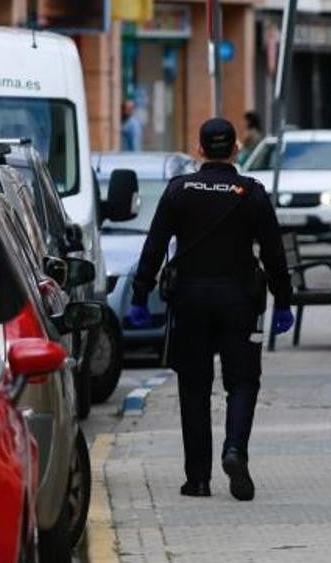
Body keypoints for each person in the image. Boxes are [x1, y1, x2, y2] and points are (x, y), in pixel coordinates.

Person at [125, 118, 296, 502]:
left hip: (190, 302)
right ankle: (234, 449)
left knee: (194, 388)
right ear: (236, 149)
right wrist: (284, 301)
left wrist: (140, 295)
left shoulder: (179, 190)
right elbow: (274, 253)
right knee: (243, 382)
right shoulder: (250, 192)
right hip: (240, 302)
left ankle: (197, 479)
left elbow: (154, 247)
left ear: (199, 150)